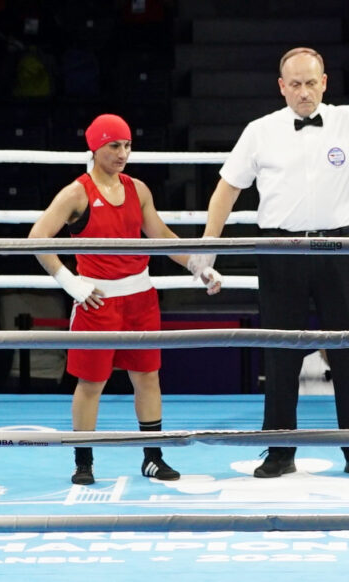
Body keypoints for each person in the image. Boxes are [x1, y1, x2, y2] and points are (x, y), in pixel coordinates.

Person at [188, 46, 349, 480]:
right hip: (281, 250)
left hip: (340, 248)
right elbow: (227, 189)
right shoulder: (260, 131)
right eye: (295, 84)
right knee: (281, 353)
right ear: (281, 87)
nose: (304, 92)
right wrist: (209, 246)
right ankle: (279, 451)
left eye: (310, 82)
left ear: (324, 82)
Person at [28, 113, 222, 485]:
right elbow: (38, 237)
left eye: (127, 145)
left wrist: (198, 266)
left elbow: (160, 235)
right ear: (95, 147)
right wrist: (69, 281)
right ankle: (83, 462)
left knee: (148, 377)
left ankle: (152, 457)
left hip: (140, 298)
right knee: (91, 383)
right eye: (114, 145)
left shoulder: (139, 189)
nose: (122, 153)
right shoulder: (77, 193)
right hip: (96, 300)